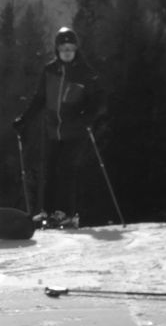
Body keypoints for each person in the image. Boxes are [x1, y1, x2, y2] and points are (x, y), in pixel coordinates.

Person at [13, 26, 102, 228]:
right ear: (57, 50)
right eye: (63, 49)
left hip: (75, 130)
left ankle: (67, 213)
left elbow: (97, 101)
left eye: (70, 48)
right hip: (53, 130)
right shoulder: (50, 70)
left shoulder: (85, 73)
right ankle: (48, 211)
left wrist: (86, 118)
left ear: (76, 49)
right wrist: (24, 120)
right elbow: (40, 99)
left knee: (67, 170)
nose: (67, 52)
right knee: (50, 171)